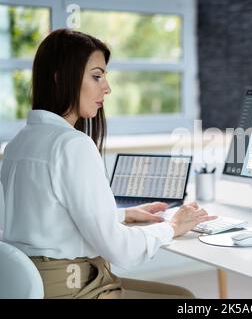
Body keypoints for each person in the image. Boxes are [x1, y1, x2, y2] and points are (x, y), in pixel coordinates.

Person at [0, 28, 216, 299]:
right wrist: (171, 227)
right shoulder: (72, 145)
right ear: (60, 78)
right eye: (96, 76)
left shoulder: (19, 143)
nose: (107, 88)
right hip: (75, 289)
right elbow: (120, 250)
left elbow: (47, 221)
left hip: (32, 286)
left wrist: (123, 215)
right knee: (183, 299)